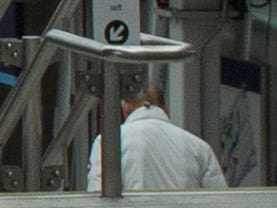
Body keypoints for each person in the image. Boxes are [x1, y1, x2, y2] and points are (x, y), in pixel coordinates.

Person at [84, 79, 225, 193]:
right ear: (165, 108)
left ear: (126, 108)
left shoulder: (107, 143)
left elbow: (97, 201)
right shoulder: (199, 147)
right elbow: (220, 205)